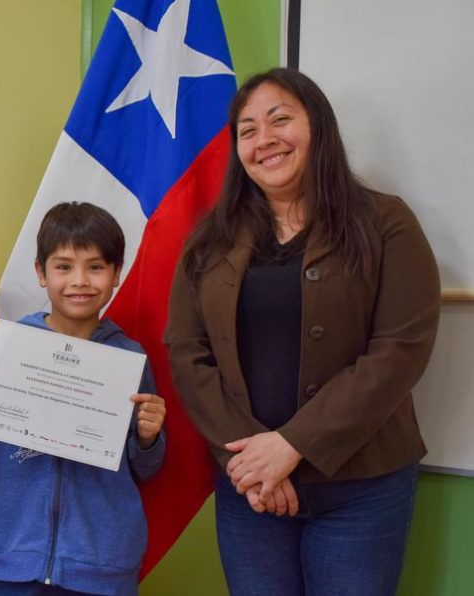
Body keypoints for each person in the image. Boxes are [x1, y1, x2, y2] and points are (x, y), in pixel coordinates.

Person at [165, 67, 441, 595]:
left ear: (317, 126)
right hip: (249, 490)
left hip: (364, 489)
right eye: (247, 131)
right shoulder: (209, 240)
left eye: (279, 120)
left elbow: (400, 350)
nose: (264, 140)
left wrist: (293, 444)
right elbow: (186, 352)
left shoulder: (386, 222)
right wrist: (248, 463)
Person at [0, 202, 167, 596]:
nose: (80, 280)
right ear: (41, 273)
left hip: (102, 569)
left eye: (96, 267)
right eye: (64, 267)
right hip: (15, 564)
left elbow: (145, 468)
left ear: (116, 275)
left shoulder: (128, 358)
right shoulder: (10, 347)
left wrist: (149, 438)